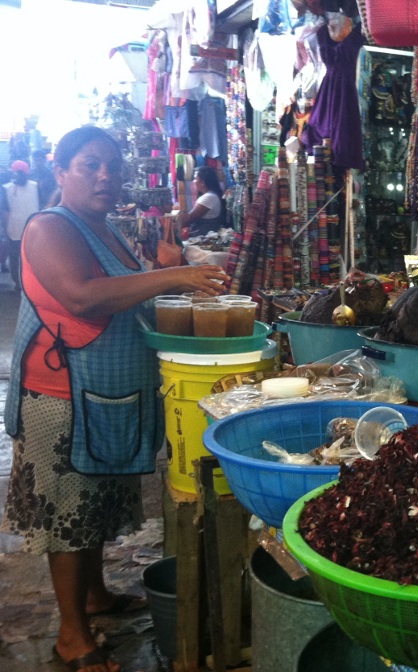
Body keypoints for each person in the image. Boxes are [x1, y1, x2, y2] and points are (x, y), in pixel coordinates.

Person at [0, 126, 228, 672]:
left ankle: (97, 596)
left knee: (97, 505)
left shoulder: (102, 228)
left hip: (104, 393)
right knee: (70, 516)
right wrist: (174, 273)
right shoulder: (50, 227)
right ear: (59, 172)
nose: (105, 175)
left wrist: (160, 272)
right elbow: (82, 296)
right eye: (89, 165)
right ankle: (72, 637)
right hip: (64, 400)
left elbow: (127, 289)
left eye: (112, 166)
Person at [4, 159, 41, 290]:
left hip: (14, 229)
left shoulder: (6, 188)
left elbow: (5, 212)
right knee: (33, 257)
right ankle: (33, 282)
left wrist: (5, 230)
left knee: (15, 257)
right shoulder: (35, 186)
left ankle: (18, 282)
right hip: (34, 228)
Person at [175, 165, 226, 238]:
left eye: (195, 178)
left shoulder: (208, 198)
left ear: (202, 183)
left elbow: (189, 219)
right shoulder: (211, 195)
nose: (193, 181)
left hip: (203, 237)